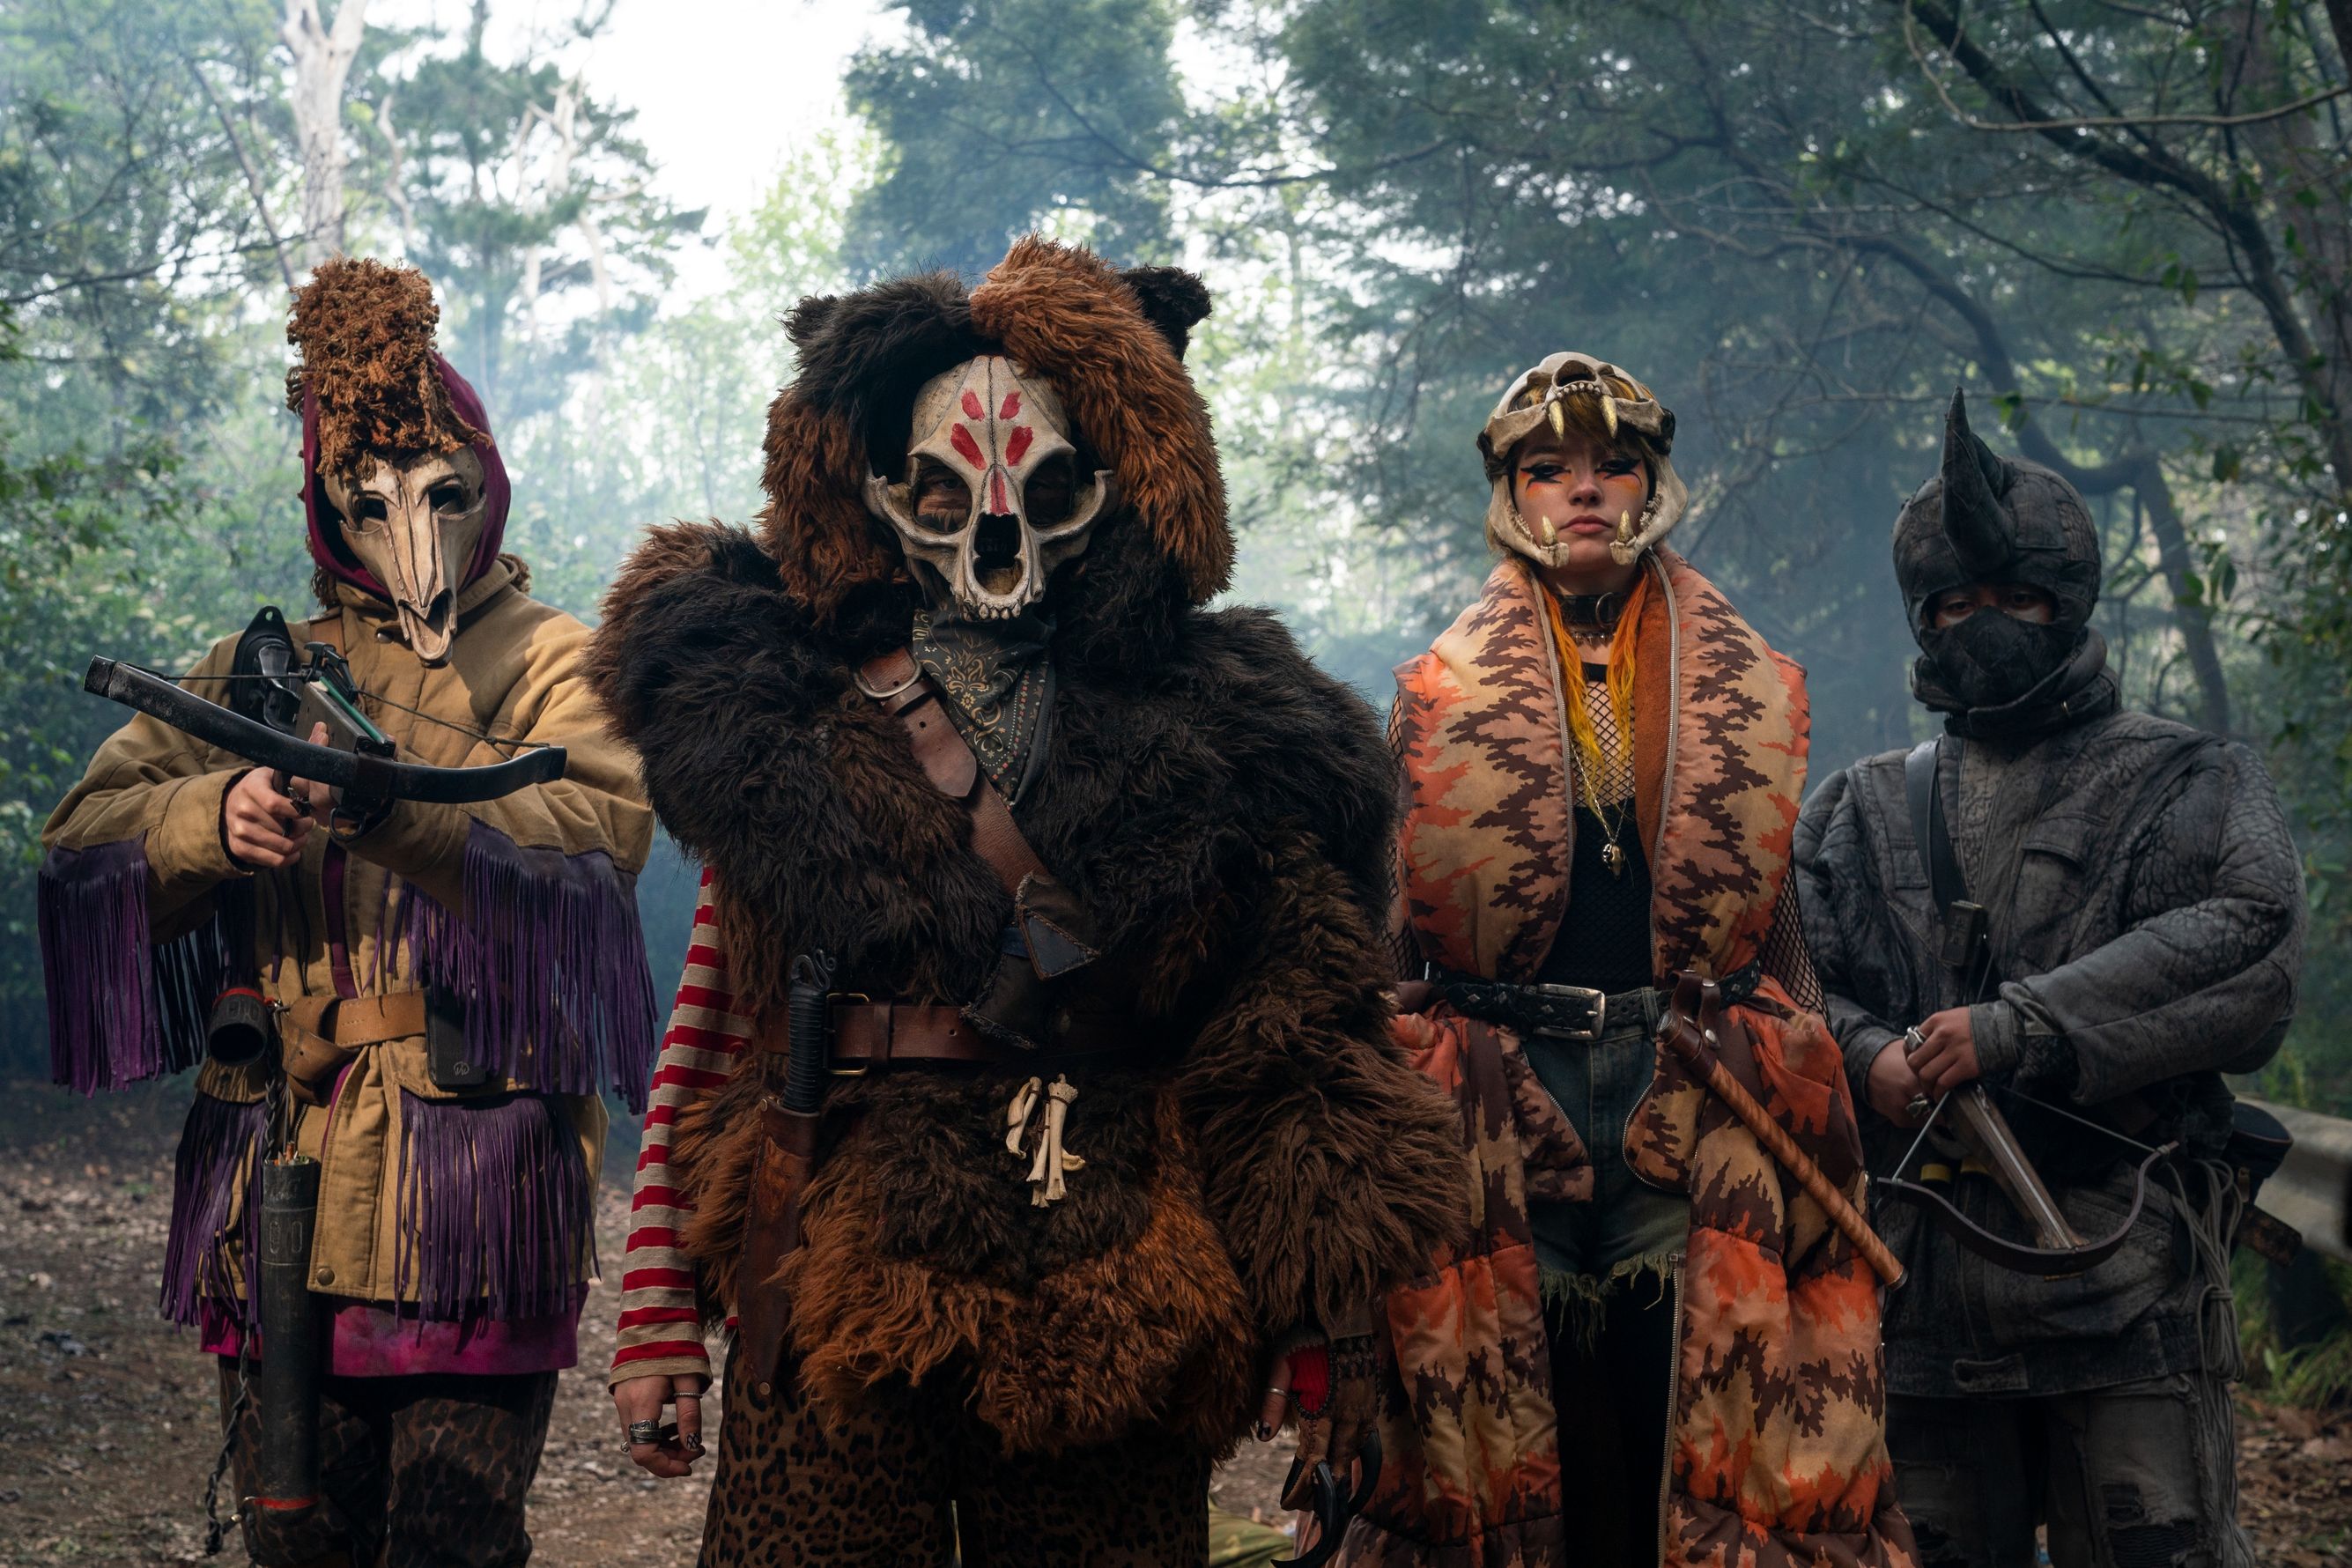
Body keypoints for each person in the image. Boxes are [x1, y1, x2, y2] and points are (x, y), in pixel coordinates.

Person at [592, 237, 1467, 1567]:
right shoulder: (772, 715)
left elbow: (1296, 1049)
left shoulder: (1234, 728)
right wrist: (659, 1311)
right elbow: (717, 1024)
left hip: (1119, 1262)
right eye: (948, 493)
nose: (995, 533)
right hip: (830, 1255)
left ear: (1107, 489)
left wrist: (1326, 1338)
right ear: (888, 495)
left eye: (1044, 487)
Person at [39, 257, 657, 1568]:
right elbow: (77, 847)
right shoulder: (250, 668)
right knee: (295, 1543)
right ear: (327, 507)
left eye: (443, 492)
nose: (410, 533)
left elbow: (599, 851)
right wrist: (212, 817)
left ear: (486, 481)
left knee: (451, 1543)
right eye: (369, 500)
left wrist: (394, 811)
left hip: (472, 1181)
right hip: (277, 1165)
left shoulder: (556, 659)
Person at [1332, 353, 1915, 1567]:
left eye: (1613, 466)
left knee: (1698, 1423)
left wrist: (1816, 1078)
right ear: (1513, 496)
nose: (1583, 489)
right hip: (1495, 1094)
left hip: (1693, 1081)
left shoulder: (1752, 684)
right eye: (1550, 469)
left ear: (1652, 486)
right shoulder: (1429, 698)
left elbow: (1774, 922)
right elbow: (1392, 928)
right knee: (1508, 1425)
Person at [1794, 389, 2305, 1568]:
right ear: (1923, 618)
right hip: (1917, 1297)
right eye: (1955, 602)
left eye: (2016, 597)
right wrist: (1866, 1057)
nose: (1984, 622)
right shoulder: (1854, 808)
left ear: (2066, 605)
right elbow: (1785, 983)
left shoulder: (2189, 779)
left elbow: (2250, 946)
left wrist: (2021, 1027)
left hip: (2124, 1288)